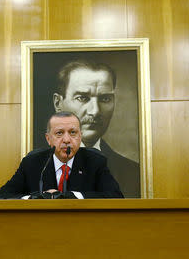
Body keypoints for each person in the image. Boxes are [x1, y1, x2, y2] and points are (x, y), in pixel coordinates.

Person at [52, 59, 140, 198]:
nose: (95, 111)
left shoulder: (133, 173)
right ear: (58, 103)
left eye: (105, 99)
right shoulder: (34, 164)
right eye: (82, 98)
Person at [0, 111, 123, 199]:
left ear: (80, 137)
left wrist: (74, 196)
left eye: (72, 132)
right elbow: (2, 196)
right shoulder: (32, 162)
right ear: (48, 139)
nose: (67, 140)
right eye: (59, 133)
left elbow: (115, 196)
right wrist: (34, 198)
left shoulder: (95, 162)